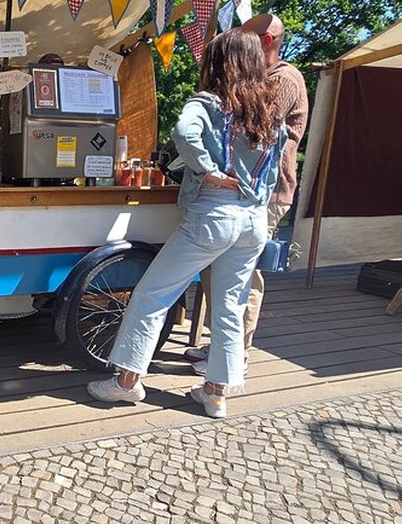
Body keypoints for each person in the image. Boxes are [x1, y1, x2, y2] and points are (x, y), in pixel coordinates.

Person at [86, 29, 286, 418]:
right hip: (253, 218)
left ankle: (126, 382)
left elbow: (183, 132)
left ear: (219, 64)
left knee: (151, 294)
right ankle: (215, 393)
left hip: (214, 214)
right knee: (230, 305)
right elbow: (274, 169)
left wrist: (209, 172)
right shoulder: (267, 111)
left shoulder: (209, 104)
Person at [186, 13, 309, 375]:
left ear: (265, 42)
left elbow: (252, 126)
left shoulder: (284, 79)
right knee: (217, 270)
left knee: (242, 275)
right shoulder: (260, 79)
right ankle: (222, 344)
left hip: (266, 193)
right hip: (242, 190)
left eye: (244, 39)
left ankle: (236, 352)